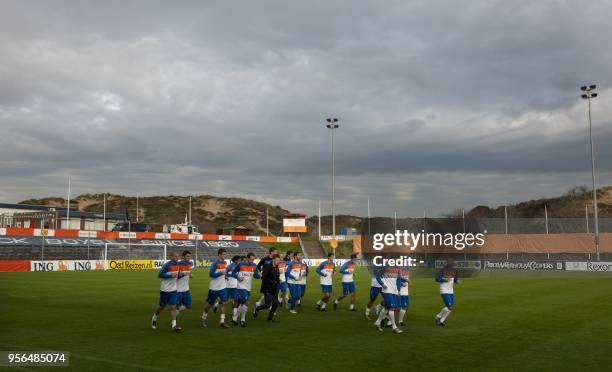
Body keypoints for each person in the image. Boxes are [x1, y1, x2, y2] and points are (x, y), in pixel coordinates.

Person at [151, 251, 183, 332]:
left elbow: (177, 276)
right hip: (165, 290)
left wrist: (181, 275)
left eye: (177, 256)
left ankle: (174, 325)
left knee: (173, 307)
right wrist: (170, 275)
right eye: (175, 256)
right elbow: (160, 275)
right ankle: (154, 317)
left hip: (173, 290)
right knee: (161, 307)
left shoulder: (178, 265)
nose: (177, 258)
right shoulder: (167, 265)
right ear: (171, 257)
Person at [201, 248, 230, 329]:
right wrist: (221, 273)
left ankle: (222, 321)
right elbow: (211, 274)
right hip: (214, 288)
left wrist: (225, 276)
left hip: (223, 287)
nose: (225, 255)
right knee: (210, 304)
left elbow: (223, 273)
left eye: (225, 254)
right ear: (219, 255)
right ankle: (203, 317)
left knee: (224, 303)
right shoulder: (215, 263)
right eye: (224, 254)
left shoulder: (224, 262)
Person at [231, 252, 260, 327]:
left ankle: (234, 318)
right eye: (251, 259)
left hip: (248, 287)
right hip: (241, 287)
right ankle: (242, 320)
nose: (252, 261)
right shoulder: (240, 264)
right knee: (247, 302)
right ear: (247, 258)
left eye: (253, 260)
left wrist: (260, 275)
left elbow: (256, 275)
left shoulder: (254, 265)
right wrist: (238, 277)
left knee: (243, 303)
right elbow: (233, 273)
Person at [374, 266, 403, 334]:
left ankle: (378, 322)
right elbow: (377, 276)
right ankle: (394, 327)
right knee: (391, 308)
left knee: (387, 308)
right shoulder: (384, 267)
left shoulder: (397, 269)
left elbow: (399, 279)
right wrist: (382, 284)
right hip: (387, 290)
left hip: (394, 291)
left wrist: (398, 290)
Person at [254, 253, 281, 321]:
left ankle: (270, 318)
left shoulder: (277, 267)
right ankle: (257, 309)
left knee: (275, 304)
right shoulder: (267, 267)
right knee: (267, 305)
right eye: (277, 260)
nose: (278, 261)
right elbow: (263, 277)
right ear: (273, 260)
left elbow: (277, 276)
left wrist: (278, 280)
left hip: (274, 288)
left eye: (279, 260)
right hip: (267, 288)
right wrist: (272, 282)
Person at [435, 258, 459, 326]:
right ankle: (438, 317)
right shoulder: (442, 270)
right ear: (447, 263)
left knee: (450, 307)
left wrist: (457, 281)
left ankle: (441, 321)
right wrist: (444, 280)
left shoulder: (455, 270)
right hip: (444, 290)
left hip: (451, 290)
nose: (451, 263)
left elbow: (455, 279)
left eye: (451, 262)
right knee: (449, 306)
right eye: (449, 262)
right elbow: (437, 279)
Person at [176, 250, 194, 317]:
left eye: (190, 256)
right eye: (187, 256)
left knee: (188, 306)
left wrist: (190, 274)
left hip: (186, 289)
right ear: (183, 257)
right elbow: (176, 276)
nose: (189, 258)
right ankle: (174, 323)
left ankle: (176, 313)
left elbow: (189, 272)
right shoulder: (178, 264)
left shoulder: (189, 263)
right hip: (178, 289)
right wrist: (184, 274)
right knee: (177, 306)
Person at [225, 255, 241, 325]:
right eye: (239, 260)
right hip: (227, 286)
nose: (240, 262)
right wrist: (227, 276)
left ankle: (234, 317)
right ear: (235, 261)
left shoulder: (239, 267)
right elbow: (225, 273)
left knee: (236, 299)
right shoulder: (230, 266)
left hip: (235, 286)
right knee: (224, 301)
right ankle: (222, 314)